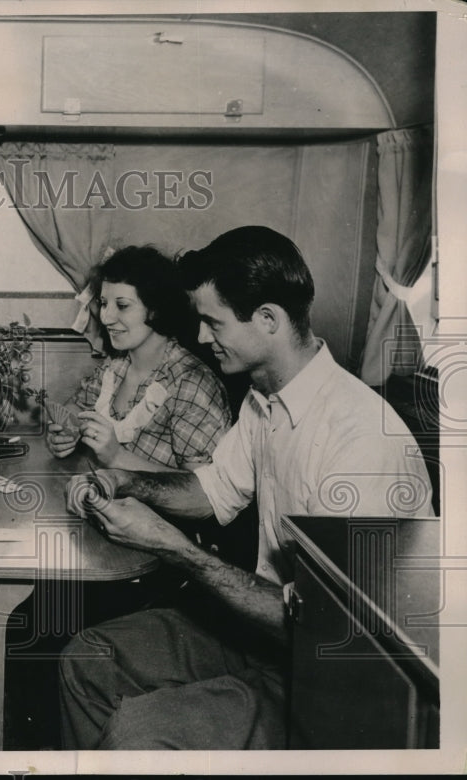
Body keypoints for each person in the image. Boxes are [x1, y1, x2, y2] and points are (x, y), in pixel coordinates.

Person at [58, 226, 433, 750]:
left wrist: (170, 545)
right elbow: (210, 490)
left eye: (213, 323)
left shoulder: (360, 438)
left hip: (328, 675)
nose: (203, 338)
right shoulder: (264, 401)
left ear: (268, 320)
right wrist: (126, 481)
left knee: (138, 732)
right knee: (87, 660)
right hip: (264, 633)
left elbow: (324, 630)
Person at [46, 245, 232, 471]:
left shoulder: (192, 385)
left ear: (155, 308)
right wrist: (63, 434)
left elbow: (200, 492)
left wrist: (118, 457)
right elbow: (75, 410)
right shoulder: (116, 364)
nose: (106, 317)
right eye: (104, 303)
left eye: (122, 306)